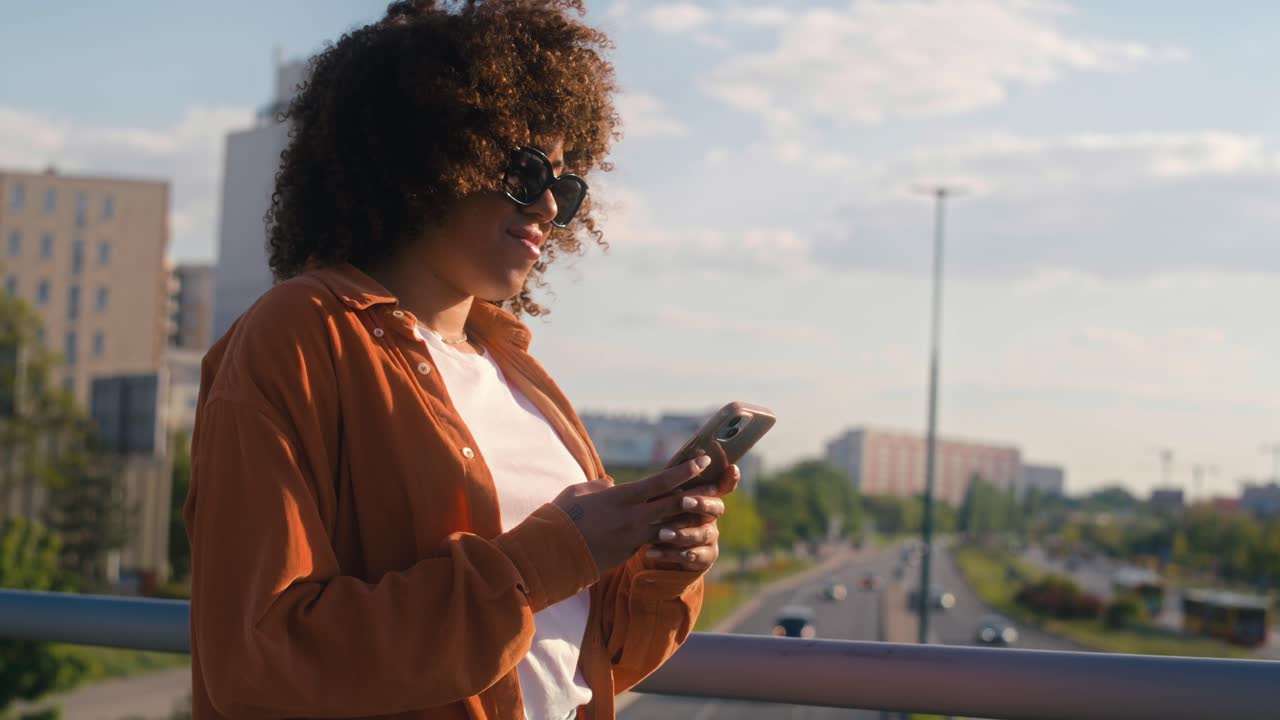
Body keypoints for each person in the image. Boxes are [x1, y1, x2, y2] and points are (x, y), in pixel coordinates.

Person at [183, 1, 739, 719]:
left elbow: (579, 661)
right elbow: (258, 660)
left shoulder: (524, 378)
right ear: (426, 152)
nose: (546, 204)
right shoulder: (300, 334)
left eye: (565, 186)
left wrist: (659, 574)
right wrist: (544, 561)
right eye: (525, 168)